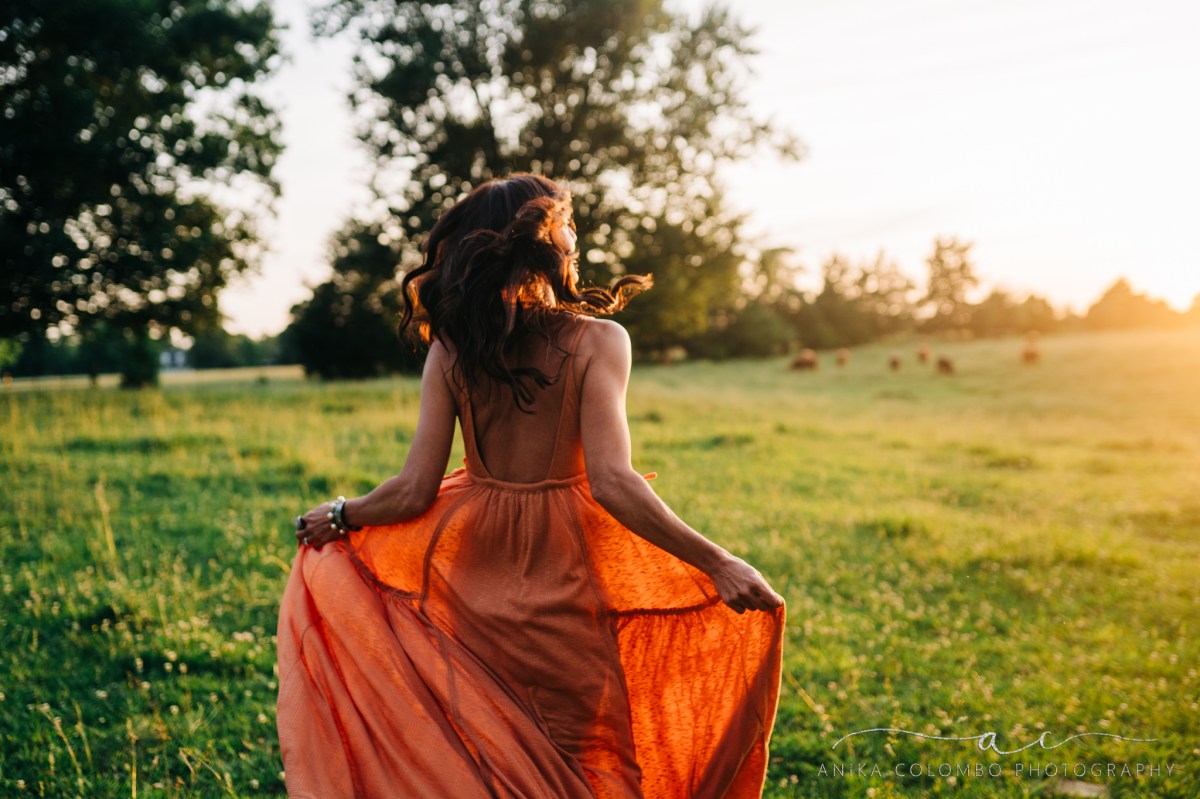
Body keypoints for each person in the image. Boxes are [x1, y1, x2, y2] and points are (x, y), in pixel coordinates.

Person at [276, 173, 785, 799]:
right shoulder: (599, 340)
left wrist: (340, 514)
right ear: (546, 243)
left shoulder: (454, 348)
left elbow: (412, 491)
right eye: (570, 226)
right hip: (562, 576)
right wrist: (719, 561)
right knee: (589, 759)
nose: (577, 239)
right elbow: (613, 482)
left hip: (470, 577)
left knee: (492, 757)